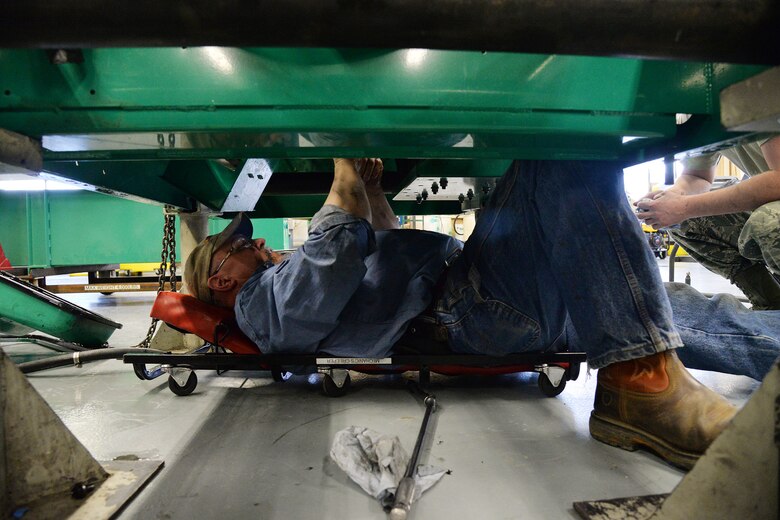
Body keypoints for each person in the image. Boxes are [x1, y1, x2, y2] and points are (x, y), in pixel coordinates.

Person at [184, 158, 780, 470]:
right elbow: (338, 258)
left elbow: (387, 251)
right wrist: (341, 177)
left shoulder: (280, 282)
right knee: (557, 154)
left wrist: (370, 192)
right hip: (467, 310)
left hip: (472, 295)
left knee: (688, 318)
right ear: (219, 278)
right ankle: (641, 385)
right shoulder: (263, 305)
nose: (257, 245)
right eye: (243, 246)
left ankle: (652, 364)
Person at [636, 136, 780, 309]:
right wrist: (672, 197)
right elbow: (697, 176)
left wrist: (684, 206)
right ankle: (771, 302)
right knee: (682, 222)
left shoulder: (752, 107)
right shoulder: (699, 114)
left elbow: (778, 181)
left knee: (767, 222)